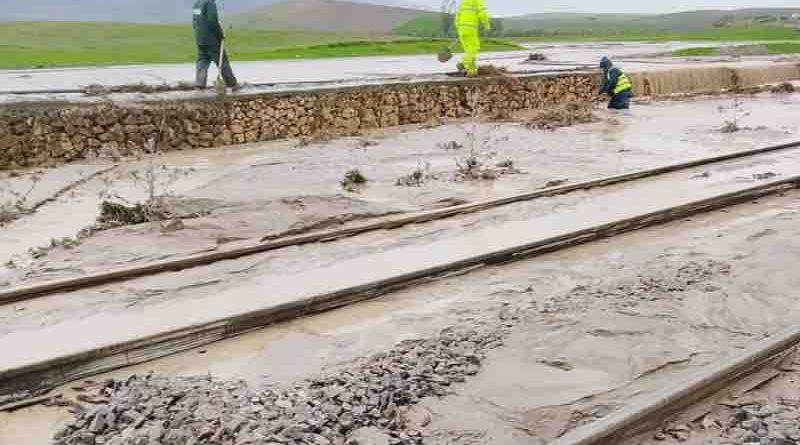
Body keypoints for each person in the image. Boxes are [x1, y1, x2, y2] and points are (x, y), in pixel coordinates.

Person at [193, 0, 238, 89]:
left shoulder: (197, 4)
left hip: (200, 40)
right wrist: (220, 34)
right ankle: (232, 84)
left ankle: (200, 84)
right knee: (223, 61)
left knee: (202, 61)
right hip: (212, 40)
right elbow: (212, 20)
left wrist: (198, 35)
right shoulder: (210, 4)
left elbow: (195, 21)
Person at [455, 0, 491, 77]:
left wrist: (459, 28)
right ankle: (463, 63)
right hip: (470, 29)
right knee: (475, 47)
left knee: (469, 52)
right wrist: (486, 25)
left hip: (461, 30)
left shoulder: (463, 2)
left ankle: (471, 71)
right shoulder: (477, 1)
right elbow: (483, 14)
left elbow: (457, 17)